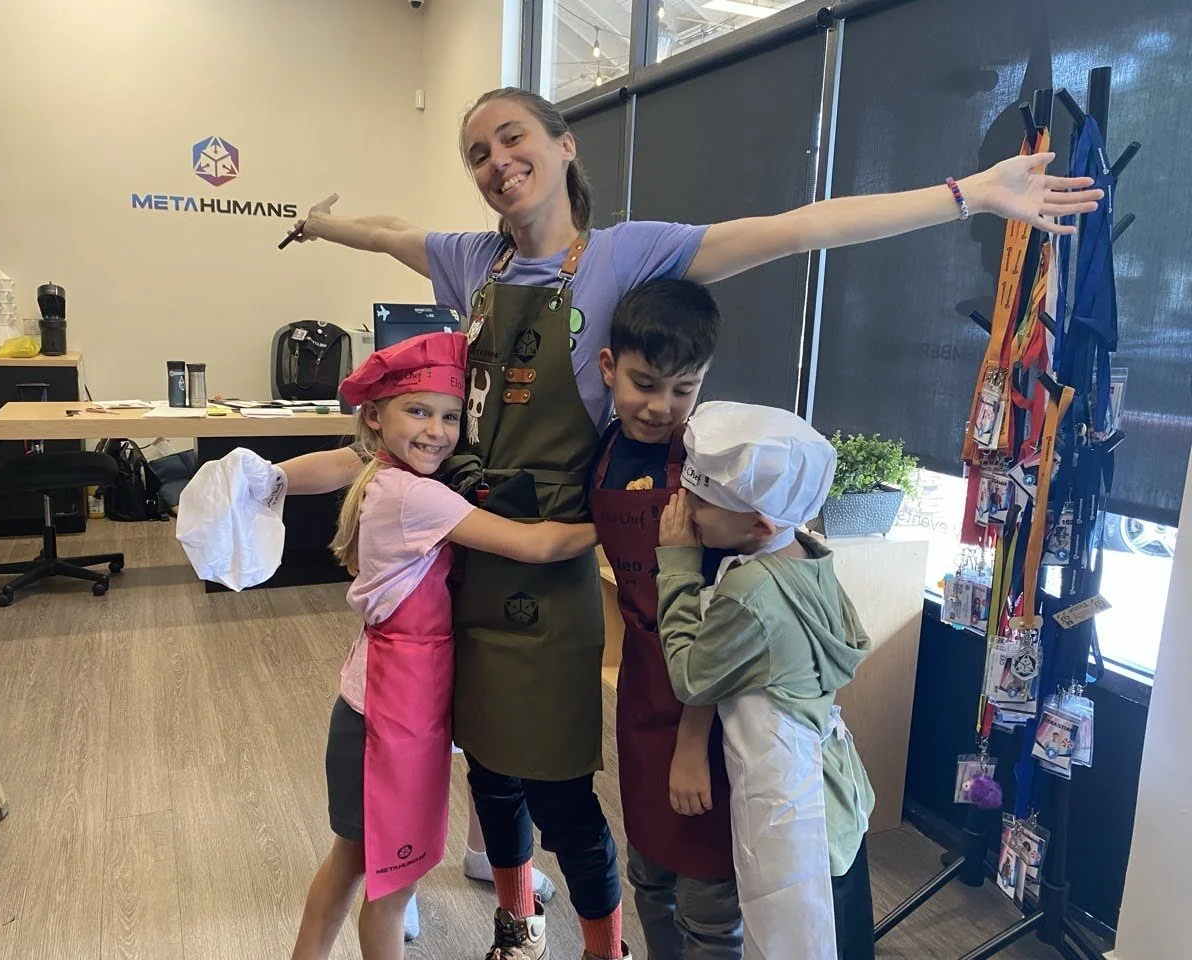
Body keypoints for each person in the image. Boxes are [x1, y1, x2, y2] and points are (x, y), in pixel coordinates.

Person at [284, 86, 1100, 960]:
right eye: (476, 153)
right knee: (488, 767)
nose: (496, 163)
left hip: (558, 558)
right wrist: (323, 225)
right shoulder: (471, 262)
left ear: (564, 147)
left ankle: (604, 946)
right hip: (475, 555)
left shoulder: (625, 256)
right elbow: (388, 232)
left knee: (558, 777)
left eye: (512, 138)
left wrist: (968, 195)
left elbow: (795, 227)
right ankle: (517, 925)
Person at [287, 332, 597, 960]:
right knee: (387, 879)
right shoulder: (414, 495)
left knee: (358, 863)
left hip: (378, 703)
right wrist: (618, 523)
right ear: (375, 417)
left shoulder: (387, 476)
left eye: (451, 416)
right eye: (418, 412)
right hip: (382, 720)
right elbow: (535, 545)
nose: (437, 431)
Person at [656, 402, 875, 960]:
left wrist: (678, 566)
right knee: (837, 929)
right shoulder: (811, 558)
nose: (689, 510)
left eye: (703, 502)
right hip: (834, 789)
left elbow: (690, 677)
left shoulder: (749, 595)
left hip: (786, 797)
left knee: (790, 932)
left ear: (759, 525)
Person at [588, 279, 742, 960]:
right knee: (646, 874)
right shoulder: (603, 449)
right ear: (607, 369)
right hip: (643, 691)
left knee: (708, 898)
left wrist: (691, 740)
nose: (661, 407)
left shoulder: (711, 473)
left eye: (684, 389)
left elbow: (721, 621)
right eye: (644, 383)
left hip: (707, 703)